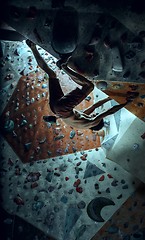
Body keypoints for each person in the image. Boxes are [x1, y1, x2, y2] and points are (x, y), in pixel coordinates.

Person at [26, 39, 133, 131]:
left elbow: (109, 112)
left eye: (96, 118)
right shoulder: (83, 120)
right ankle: (33, 47)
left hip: (62, 109)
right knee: (51, 75)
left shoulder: (91, 122)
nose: (95, 116)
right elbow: (96, 105)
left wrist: (126, 103)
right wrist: (110, 98)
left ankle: (64, 67)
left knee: (89, 86)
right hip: (56, 109)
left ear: (95, 124)